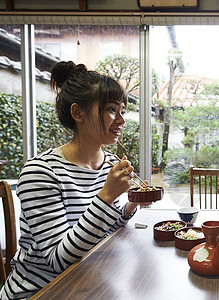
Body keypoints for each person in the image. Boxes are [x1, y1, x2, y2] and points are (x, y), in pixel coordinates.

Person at [0, 61, 149, 299]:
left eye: (123, 110)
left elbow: (106, 228)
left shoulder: (108, 162)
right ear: (78, 112)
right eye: (112, 109)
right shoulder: (41, 171)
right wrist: (106, 196)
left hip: (89, 281)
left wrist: (133, 201)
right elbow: (59, 260)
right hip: (41, 291)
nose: (121, 120)